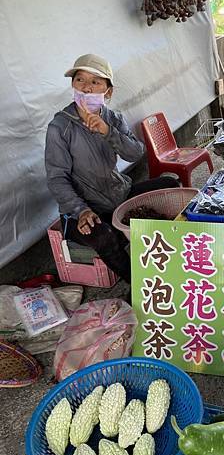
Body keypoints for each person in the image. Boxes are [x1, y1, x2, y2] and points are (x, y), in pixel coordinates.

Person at [45, 54, 178, 284]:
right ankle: (140, 286)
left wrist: (109, 133)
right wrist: (81, 211)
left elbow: (135, 153)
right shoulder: (60, 126)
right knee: (104, 236)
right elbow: (57, 178)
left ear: (108, 92)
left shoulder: (113, 118)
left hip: (119, 194)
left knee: (171, 185)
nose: (86, 88)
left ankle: (168, 259)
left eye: (95, 82)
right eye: (80, 80)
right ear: (73, 85)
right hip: (84, 210)